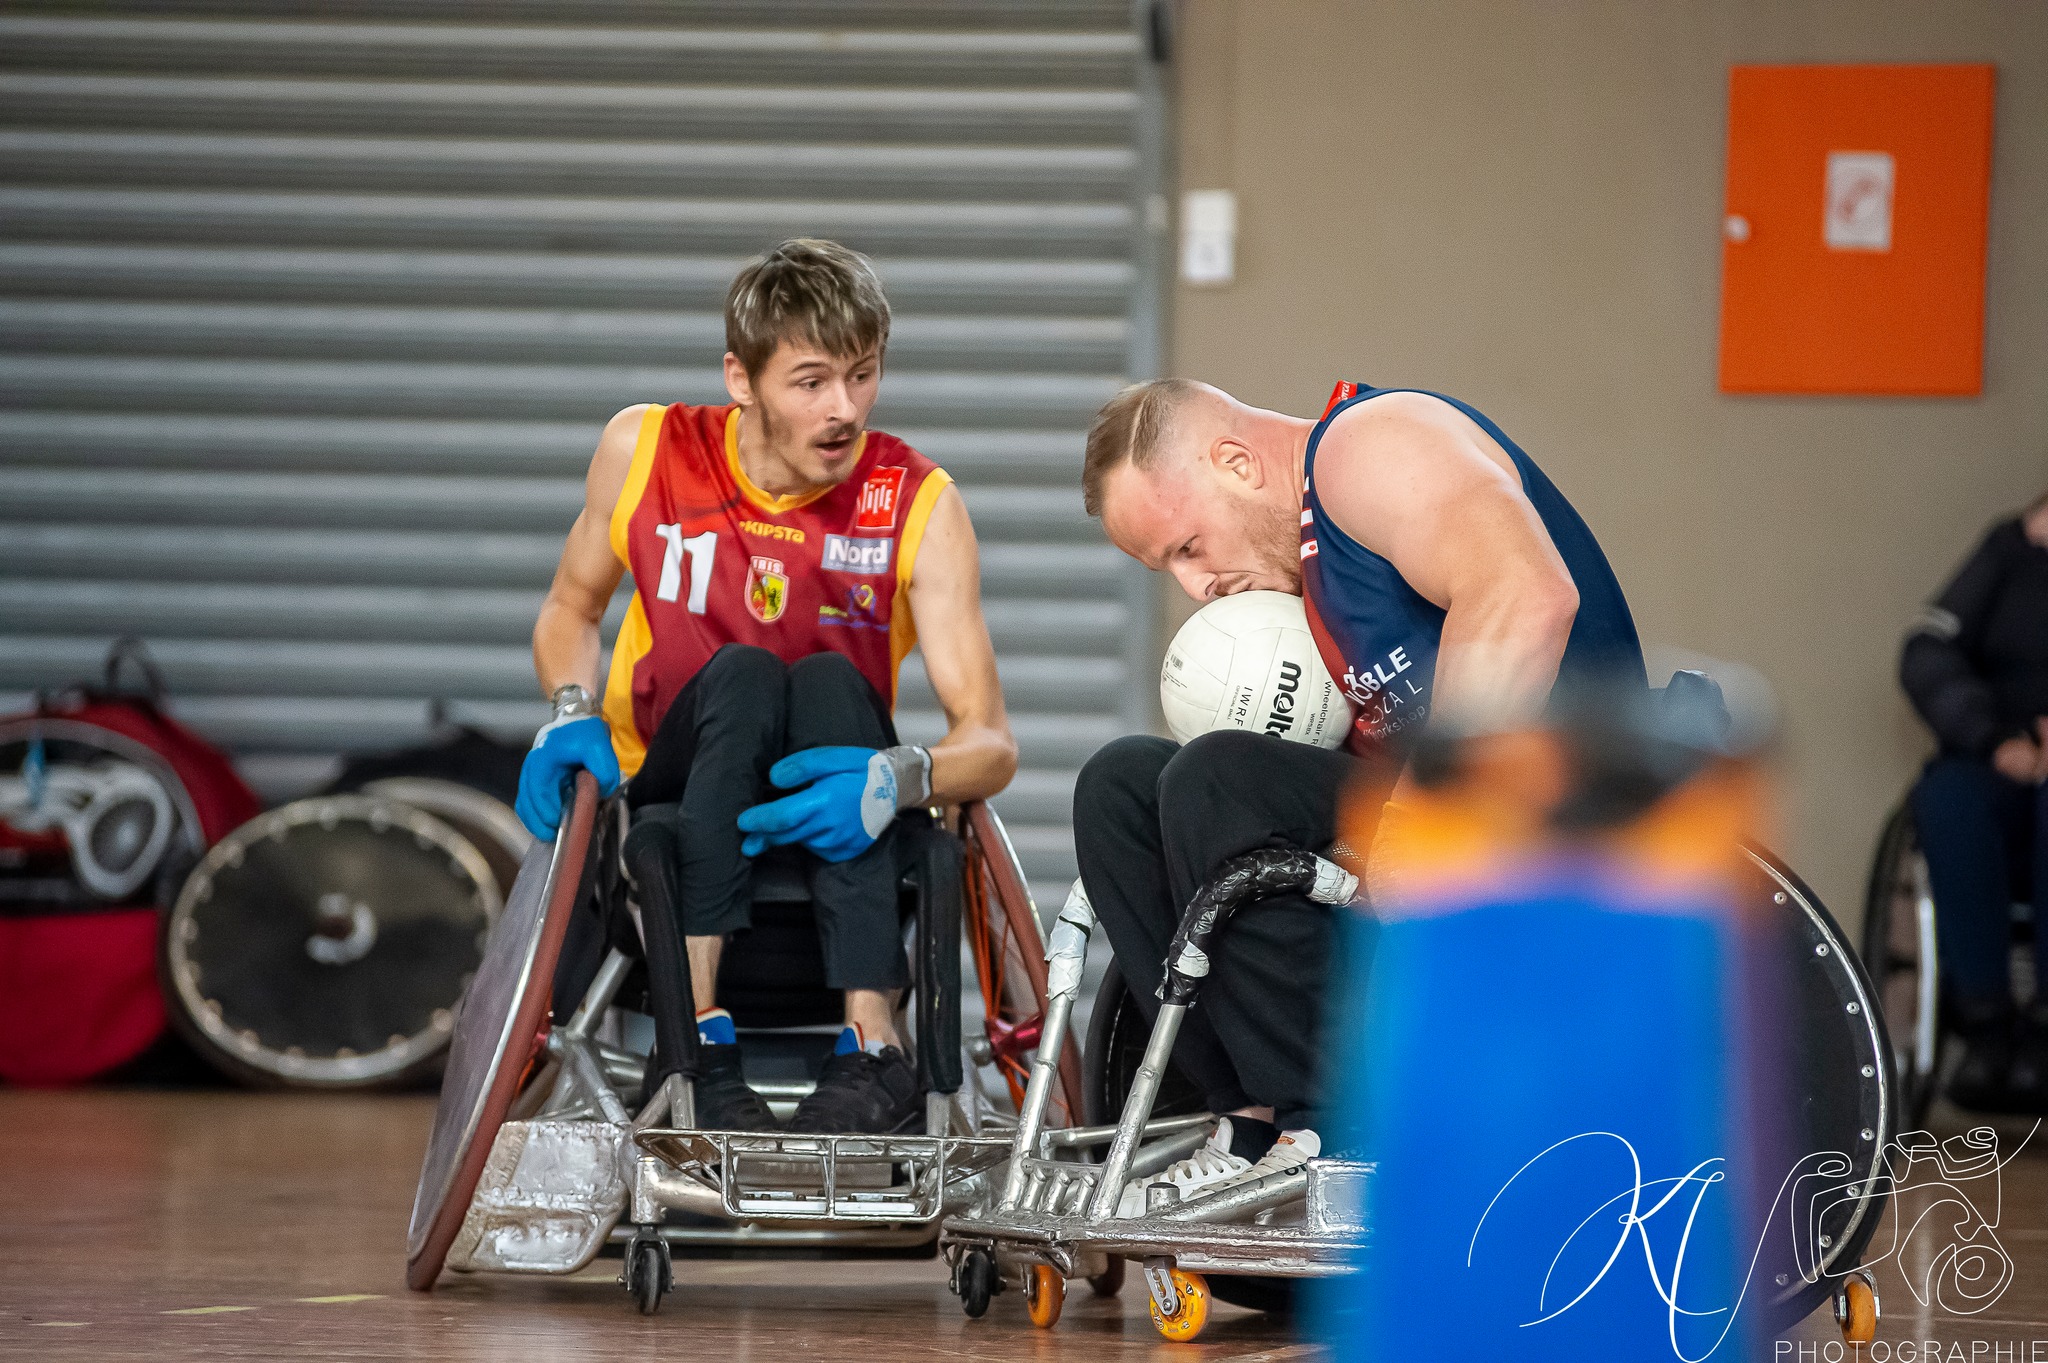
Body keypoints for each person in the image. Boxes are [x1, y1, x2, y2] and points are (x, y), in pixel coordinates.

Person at [1073, 377, 1643, 1208]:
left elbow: (1529, 594)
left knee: (1217, 780)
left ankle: (1336, 1124)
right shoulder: (1305, 575)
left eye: (1188, 546)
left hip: (1556, 806)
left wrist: (1424, 814)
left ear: (1236, 462)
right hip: (1410, 828)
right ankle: (1255, 1120)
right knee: (1122, 784)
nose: (1195, 586)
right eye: (1170, 568)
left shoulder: (1368, 450)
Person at [516, 239, 1017, 1135]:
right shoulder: (645, 451)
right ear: (740, 379)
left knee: (826, 681)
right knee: (745, 673)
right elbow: (568, 609)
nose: (845, 410)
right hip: (671, 798)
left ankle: (874, 1049)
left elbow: (989, 741)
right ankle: (697, 1038)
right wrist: (568, 712)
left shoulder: (917, 502)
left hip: (834, 811)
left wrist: (894, 779)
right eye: (812, 381)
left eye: (862, 377)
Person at [1900, 490, 2048, 1112]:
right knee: (1949, 800)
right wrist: (1994, 738)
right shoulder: (2007, 553)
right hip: (2002, 756)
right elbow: (1928, 652)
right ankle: (1984, 1022)